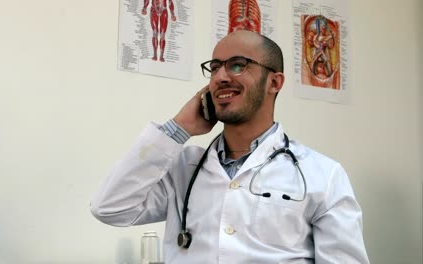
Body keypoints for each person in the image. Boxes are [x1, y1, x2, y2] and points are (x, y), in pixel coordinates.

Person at [91, 30, 369, 263]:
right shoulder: (184, 168)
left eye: (237, 64)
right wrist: (179, 129)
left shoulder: (322, 174)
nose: (221, 76)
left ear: (275, 82)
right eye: (214, 67)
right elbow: (109, 208)